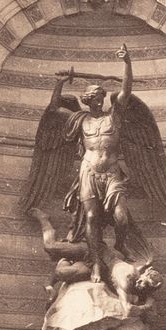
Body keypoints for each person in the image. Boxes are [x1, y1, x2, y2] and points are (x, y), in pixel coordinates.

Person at [44, 45, 143, 284]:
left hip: (110, 172)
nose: (97, 101)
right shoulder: (80, 120)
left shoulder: (114, 116)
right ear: (88, 100)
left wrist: (127, 63)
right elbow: (54, 108)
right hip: (88, 171)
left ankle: (120, 246)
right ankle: (97, 264)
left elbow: (126, 90)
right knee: (90, 218)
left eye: (100, 96)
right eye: (93, 97)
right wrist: (59, 83)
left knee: (121, 217)